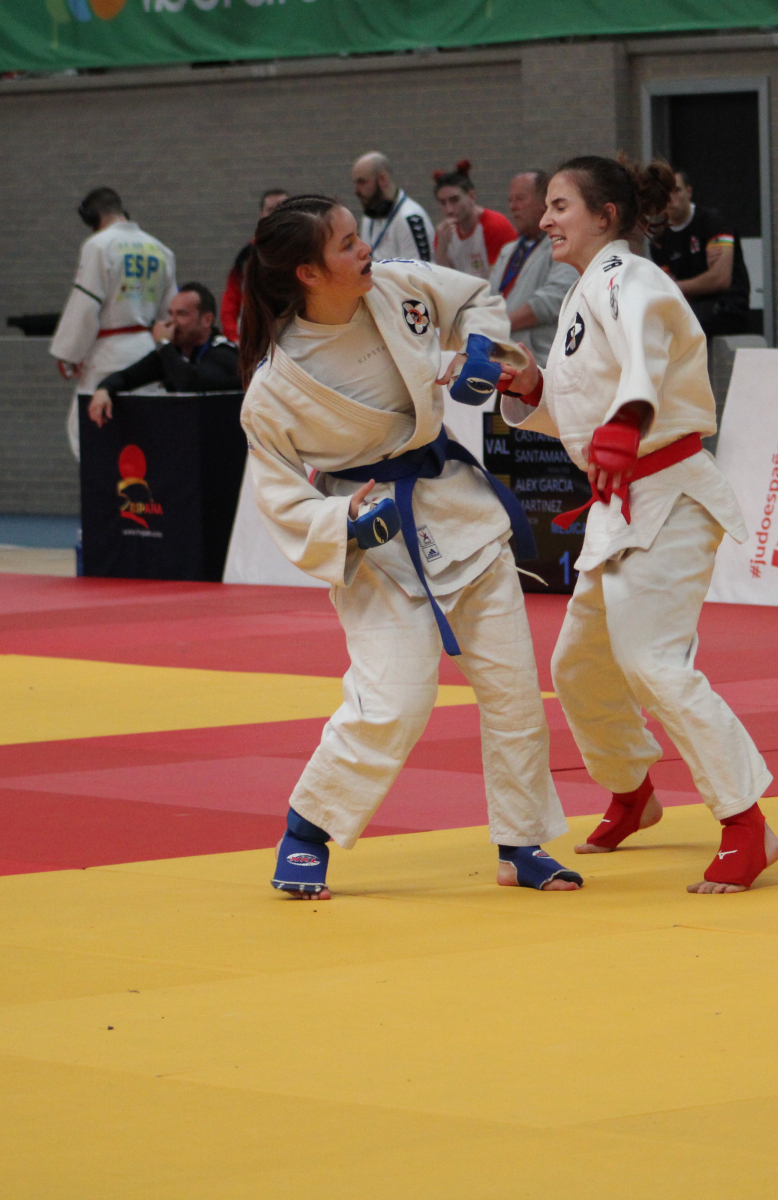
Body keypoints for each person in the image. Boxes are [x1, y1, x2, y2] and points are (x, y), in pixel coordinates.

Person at [237, 194, 578, 898]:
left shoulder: (395, 286)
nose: (363, 247)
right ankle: (307, 829)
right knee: (394, 700)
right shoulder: (274, 386)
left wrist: (482, 350)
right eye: (344, 244)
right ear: (308, 273)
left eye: (355, 235)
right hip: (375, 539)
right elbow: (279, 495)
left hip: (457, 507)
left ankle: (521, 842)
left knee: (514, 692)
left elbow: (477, 298)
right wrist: (344, 524)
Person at [499, 155, 778, 894]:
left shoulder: (634, 279)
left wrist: (628, 421)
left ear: (607, 217)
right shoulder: (585, 293)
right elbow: (581, 414)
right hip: (622, 505)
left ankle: (746, 822)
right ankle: (633, 792)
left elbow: (645, 362)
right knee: (579, 665)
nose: (546, 219)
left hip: (671, 495)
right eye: (546, 206)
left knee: (653, 661)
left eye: (561, 206)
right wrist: (532, 387)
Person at [49, 187, 177, 459]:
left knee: (87, 435)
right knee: (145, 438)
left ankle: (106, 487)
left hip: (108, 355)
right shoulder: (161, 250)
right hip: (148, 356)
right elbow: (170, 315)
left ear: (93, 217)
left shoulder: (98, 245)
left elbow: (85, 305)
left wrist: (69, 355)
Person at [86, 283, 240, 427]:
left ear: (207, 320)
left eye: (181, 314)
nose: (172, 323)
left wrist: (163, 344)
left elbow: (190, 384)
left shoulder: (225, 354)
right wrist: (103, 390)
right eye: (171, 314)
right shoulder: (173, 353)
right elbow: (126, 377)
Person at [647, 169, 753, 337]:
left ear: (689, 192)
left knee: (683, 325)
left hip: (727, 307)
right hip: (691, 307)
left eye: (677, 190)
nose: (671, 198)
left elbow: (720, 279)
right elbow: (669, 290)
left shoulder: (713, 222)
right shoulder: (659, 240)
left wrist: (677, 286)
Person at [488, 169, 579, 362]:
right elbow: (489, 297)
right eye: (510, 200)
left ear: (544, 203)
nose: (513, 206)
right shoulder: (508, 251)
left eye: (520, 199)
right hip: (503, 358)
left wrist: (498, 326)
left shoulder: (564, 246)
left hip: (542, 361)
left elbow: (554, 299)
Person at [220, 188, 289, 341]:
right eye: (271, 210)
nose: (277, 215)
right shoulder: (247, 255)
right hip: (253, 339)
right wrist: (233, 336)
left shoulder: (304, 252)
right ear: (261, 215)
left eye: (282, 209)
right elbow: (231, 298)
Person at [431, 160, 517, 281]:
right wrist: (442, 247)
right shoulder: (443, 233)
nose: (449, 210)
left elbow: (501, 279)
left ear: (471, 196)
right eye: (443, 203)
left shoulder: (495, 225)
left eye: (455, 200)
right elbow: (443, 280)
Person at [351, 151, 433, 263]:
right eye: (355, 183)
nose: (356, 191)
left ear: (383, 179)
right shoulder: (369, 218)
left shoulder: (409, 218)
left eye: (362, 182)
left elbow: (420, 271)